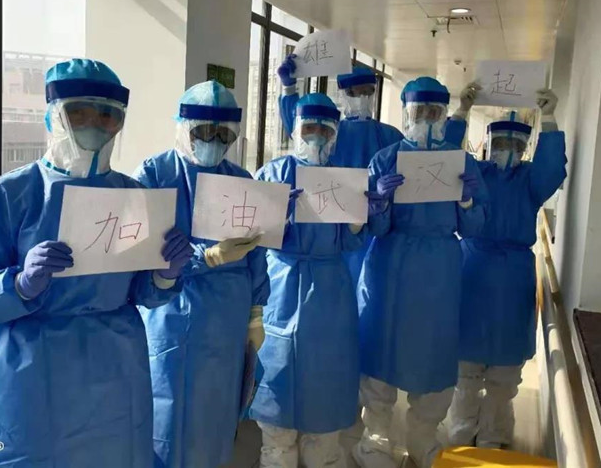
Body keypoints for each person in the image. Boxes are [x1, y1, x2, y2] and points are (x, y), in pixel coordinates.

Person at [0, 59, 193, 468]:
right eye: (79, 112)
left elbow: (142, 291)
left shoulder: (135, 197)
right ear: (54, 116)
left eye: (107, 115)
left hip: (115, 364)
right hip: (30, 368)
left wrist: (164, 275)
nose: (94, 124)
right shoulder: (6, 195)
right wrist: (18, 285)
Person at [134, 80, 269, 468]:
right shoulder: (154, 174)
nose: (214, 141)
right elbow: (140, 251)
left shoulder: (241, 180)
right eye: (204, 132)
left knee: (216, 409)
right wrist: (204, 257)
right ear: (183, 128)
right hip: (169, 311)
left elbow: (256, 252)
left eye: (224, 134)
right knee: (166, 406)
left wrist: (256, 313)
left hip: (227, 318)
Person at [355, 77, 488, 468]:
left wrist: (467, 202)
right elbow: (374, 229)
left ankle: (423, 437)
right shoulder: (385, 159)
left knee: (433, 351)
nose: (427, 120)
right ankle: (377, 438)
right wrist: (379, 204)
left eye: (434, 112)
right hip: (389, 268)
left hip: (439, 272)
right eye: (419, 111)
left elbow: (475, 228)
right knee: (381, 347)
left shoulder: (461, 163)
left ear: (444, 116)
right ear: (406, 113)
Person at [276, 57, 473, 283]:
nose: (361, 98)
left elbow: (435, 157)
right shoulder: (331, 132)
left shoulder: (389, 136)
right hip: (334, 227)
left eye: (367, 91)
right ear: (343, 93)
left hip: (377, 229)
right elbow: (302, 130)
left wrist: (461, 112)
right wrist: (289, 88)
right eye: (354, 92)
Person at [250, 93, 366, 468]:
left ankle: (324, 455)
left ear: (335, 134)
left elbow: (350, 241)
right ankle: (277, 455)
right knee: (277, 378)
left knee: (325, 380)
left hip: (330, 289)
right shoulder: (272, 174)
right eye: (309, 128)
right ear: (295, 129)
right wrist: (275, 217)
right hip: (280, 285)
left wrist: (359, 220)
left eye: (325, 130)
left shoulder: (344, 180)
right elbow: (251, 238)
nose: (316, 136)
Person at [449, 92, 567, 450]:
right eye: (500, 143)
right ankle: (460, 434)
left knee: (504, 374)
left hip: (513, 278)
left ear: (525, 148)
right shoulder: (477, 173)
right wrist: (462, 111)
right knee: (465, 369)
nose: (507, 150)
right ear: (489, 144)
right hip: (472, 270)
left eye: (515, 144)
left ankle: (494, 437)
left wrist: (549, 119)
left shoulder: (530, 180)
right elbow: (446, 158)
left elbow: (552, 168)